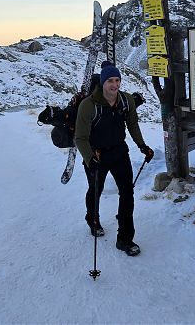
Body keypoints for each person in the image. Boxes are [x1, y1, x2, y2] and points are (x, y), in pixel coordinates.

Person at [75, 61, 154, 257]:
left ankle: (125, 239)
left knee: (127, 192)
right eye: (110, 80)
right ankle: (93, 220)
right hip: (96, 155)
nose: (115, 84)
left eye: (117, 80)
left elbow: (133, 125)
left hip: (119, 152)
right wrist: (88, 158)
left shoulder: (126, 100)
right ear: (102, 82)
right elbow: (80, 137)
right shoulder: (88, 106)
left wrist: (142, 146)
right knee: (96, 190)